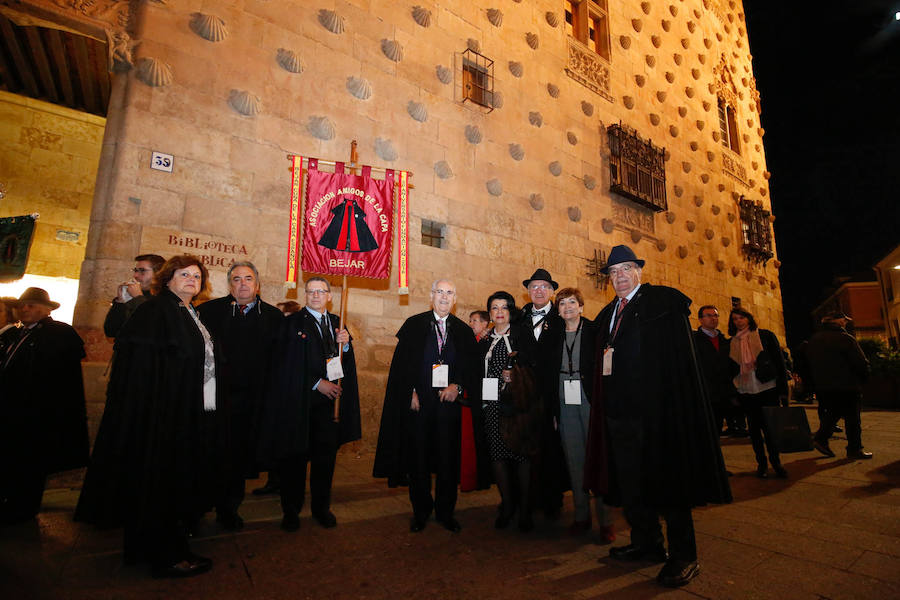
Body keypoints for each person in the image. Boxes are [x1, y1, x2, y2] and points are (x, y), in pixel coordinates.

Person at [588, 245, 730, 588]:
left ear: (639, 270)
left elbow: (679, 363)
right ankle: (647, 543)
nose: (619, 276)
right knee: (632, 483)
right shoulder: (608, 312)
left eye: (626, 269)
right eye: (613, 272)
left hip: (659, 414)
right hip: (620, 416)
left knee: (670, 483)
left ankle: (684, 556)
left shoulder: (663, 304)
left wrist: (669, 405)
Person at [76, 255, 224, 578]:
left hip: (181, 412)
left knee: (164, 484)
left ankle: (147, 551)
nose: (191, 280)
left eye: (197, 276)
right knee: (163, 485)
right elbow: (144, 368)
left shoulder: (186, 312)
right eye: (184, 274)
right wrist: (160, 412)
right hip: (164, 417)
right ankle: (168, 556)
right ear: (167, 278)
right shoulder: (157, 310)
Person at [373, 279, 477, 533]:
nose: (444, 297)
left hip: (448, 407)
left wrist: (458, 387)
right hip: (419, 405)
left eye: (449, 293)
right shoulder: (414, 325)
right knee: (417, 460)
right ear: (431, 296)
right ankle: (420, 511)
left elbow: (472, 371)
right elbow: (400, 368)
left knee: (447, 462)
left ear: (455, 299)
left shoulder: (463, 332)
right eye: (439, 292)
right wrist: (408, 392)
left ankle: (445, 512)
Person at [260, 277, 361, 532]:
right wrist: (317, 383)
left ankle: (321, 508)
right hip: (300, 404)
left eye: (321, 291)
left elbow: (344, 363)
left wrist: (347, 346)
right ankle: (291, 511)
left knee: (325, 461)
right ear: (306, 295)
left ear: (329, 296)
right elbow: (285, 364)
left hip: (329, 409)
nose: (315, 295)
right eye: (311, 291)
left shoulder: (338, 323)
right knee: (294, 461)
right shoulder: (291, 323)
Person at [197, 261, 283, 530]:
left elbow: (281, 361)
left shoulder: (273, 317)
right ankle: (197, 507)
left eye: (248, 279)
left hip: (251, 403)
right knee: (207, 455)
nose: (242, 284)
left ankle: (229, 509)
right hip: (214, 400)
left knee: (237, 460)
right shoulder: (208, 312)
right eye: (236, 279)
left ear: (257, 284)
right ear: (229, 284)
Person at [0, 288, 89, 525]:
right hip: (11, 410)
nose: (25, 309)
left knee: (30, 463)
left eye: (31, 305)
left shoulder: (58, 333)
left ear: (47, 310)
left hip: (37, 412)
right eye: (22, 305)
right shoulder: (15, 334)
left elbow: (57, 372)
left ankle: (22, 509)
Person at [548, 287, 614, 541]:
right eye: (562, 304)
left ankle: (605, 520)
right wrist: (554, 410)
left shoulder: (595, 332)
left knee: (598, 459)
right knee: (575, 461)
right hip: (564, 400)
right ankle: (581, 516)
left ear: (581, 306)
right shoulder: (554, 336)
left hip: (590, 400)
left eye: (572, 302)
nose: (567, 308)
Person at [478, 291, 540, 532]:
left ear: (511, 310)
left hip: (518, 404)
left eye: (504, 307)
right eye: (494, 307)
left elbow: (535, 361)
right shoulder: (485, 339)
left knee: (521, 454)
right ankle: (507, 504)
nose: (500, 311)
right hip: (492, 405)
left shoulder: (521, 334)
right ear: (490, 313)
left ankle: (525, 509)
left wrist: (517, 372)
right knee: (497, 455)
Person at [520, 268, 568, 520]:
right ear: (528, 292)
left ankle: (552, 498)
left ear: (551, 292)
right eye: (534, 287)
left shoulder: (562, 319)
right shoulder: (520, 319)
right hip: (524, 395)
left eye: (543, 287)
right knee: (526, 446)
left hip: (552, 394)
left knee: (551, 446)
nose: (538, 291)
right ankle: (527, 498)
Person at [727, 306, 790, 479]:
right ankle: (761, 464)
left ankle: (776, 463)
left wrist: (783, 390)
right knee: (754, 430)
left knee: (770, 429)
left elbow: (779, 362)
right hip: (746, 390)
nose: (738, 321)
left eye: (741, 317)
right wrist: (733, 394)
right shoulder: (732, 342)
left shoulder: (766, 336)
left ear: (748, 318)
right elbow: (731, 369)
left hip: (767, 388)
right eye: (735, 319)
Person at [807, 312, 871, 459]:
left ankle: (821, 438)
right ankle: (854, 449)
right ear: (837, 322)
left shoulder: (815, 339)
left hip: (824, 385)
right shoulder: (845, 338)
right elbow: (860, 363)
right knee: (852, 418)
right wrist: (863, 378)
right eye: (844, 320)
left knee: (834, 412)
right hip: (847, 385)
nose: (845, 323)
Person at [693, 306, 740, 441]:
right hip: (704, 393)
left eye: (715, 315)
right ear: (701, 319)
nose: (713, 318)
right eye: (708, 315)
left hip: (722, 395)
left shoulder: (726, 341)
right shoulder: (693, 340)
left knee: (716, 432)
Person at [103, 254, 165, 338]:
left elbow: (153, 329)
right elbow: (111, 331)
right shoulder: (132, 295)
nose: (135, 275)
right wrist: (120, 302)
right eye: (135, 270)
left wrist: (138, 298)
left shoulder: (166, 298)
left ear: (158, 273)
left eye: (142, 271)